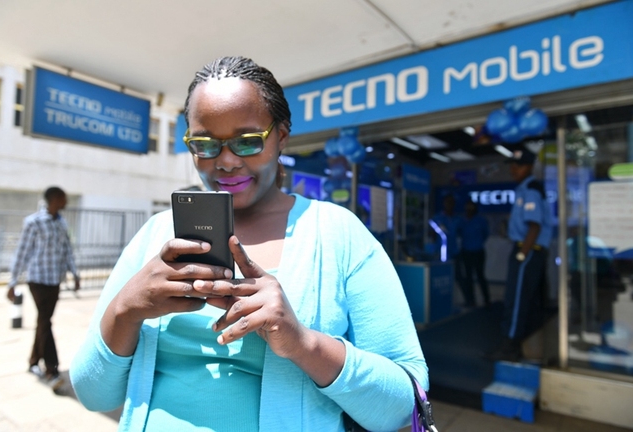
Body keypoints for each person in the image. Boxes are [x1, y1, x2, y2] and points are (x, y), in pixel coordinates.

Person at [70, 56, 428, 431]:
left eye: (247, 142)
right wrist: (125, 311)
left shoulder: (338, 233)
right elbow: (95, 396)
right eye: (205, 145)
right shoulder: (155, 235)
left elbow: (405, 406)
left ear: (281, 138)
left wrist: (302, 343)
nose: (225, 162)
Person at [7, 186, 80, 390]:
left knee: (43, 321)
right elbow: (22, 251)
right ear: (55, 199)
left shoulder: (61, 223)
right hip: (38, 280)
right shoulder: (34, 222)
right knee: (46, 321)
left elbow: (67, 250)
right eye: (64, 198)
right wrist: (12, 281)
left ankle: (32, 361)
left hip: (54, 280)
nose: (66, 201)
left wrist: (74, 273)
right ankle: (52, 370)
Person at [488, 147, 552, 362]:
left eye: (519, 165)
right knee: (527, 300)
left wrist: (522, 255)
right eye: (512, 166)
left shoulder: (531, 189)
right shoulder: (524, 188)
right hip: (527, 249)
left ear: (530, 167)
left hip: (528, 250)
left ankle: (510, 347)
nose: (514, 169)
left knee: (515, 299)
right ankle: (523, 343)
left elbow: (534, 226)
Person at [432, 194, 466, 306]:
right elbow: (432, 233)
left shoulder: (458, 219)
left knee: (458, 277)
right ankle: (440, 301)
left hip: (454, 252)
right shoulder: (437, 218)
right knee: (440, 278)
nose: (449, 205)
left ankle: (466, 300)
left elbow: (461, 233)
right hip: (441, 253)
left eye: (451, 202)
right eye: (447, 202)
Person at [459, 200, 491, 307]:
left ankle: (487, 301)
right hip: (466, 252)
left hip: (478, 252)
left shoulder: (480, 220)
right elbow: (459, 233)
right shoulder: (462, 221)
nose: (469, 209)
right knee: (468, 277)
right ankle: (471, 301)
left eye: (471, 207)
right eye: (468, 207)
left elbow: (486, 234)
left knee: (480, 276)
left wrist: (478, 242)